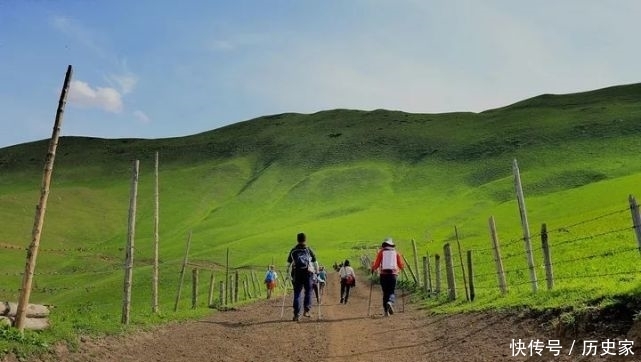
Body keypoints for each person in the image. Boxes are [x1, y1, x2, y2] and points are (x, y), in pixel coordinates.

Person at [286, 232, 318, 321]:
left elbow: (288, 264)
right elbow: (315, 262)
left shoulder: (293, 250)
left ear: (297, 240)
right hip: (308, 273)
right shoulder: (308, 249)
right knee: (308, 291)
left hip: (297, 273)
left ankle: (296, 314)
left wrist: (287, 274)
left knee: (297, 293)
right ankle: (306, 311)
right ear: (305, 239)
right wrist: (317, 272)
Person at [370, 237, 404, 316]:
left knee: (385, 293)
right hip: (393, 275)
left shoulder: (381, 252)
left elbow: (376, 265)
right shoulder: (396, 253)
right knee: (391, 291)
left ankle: (386, 312)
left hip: (383, 275)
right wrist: (402, 267)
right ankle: (390, 302)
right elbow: (401, 265)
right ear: (392, 245)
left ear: (384, 245)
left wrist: (372, 268)